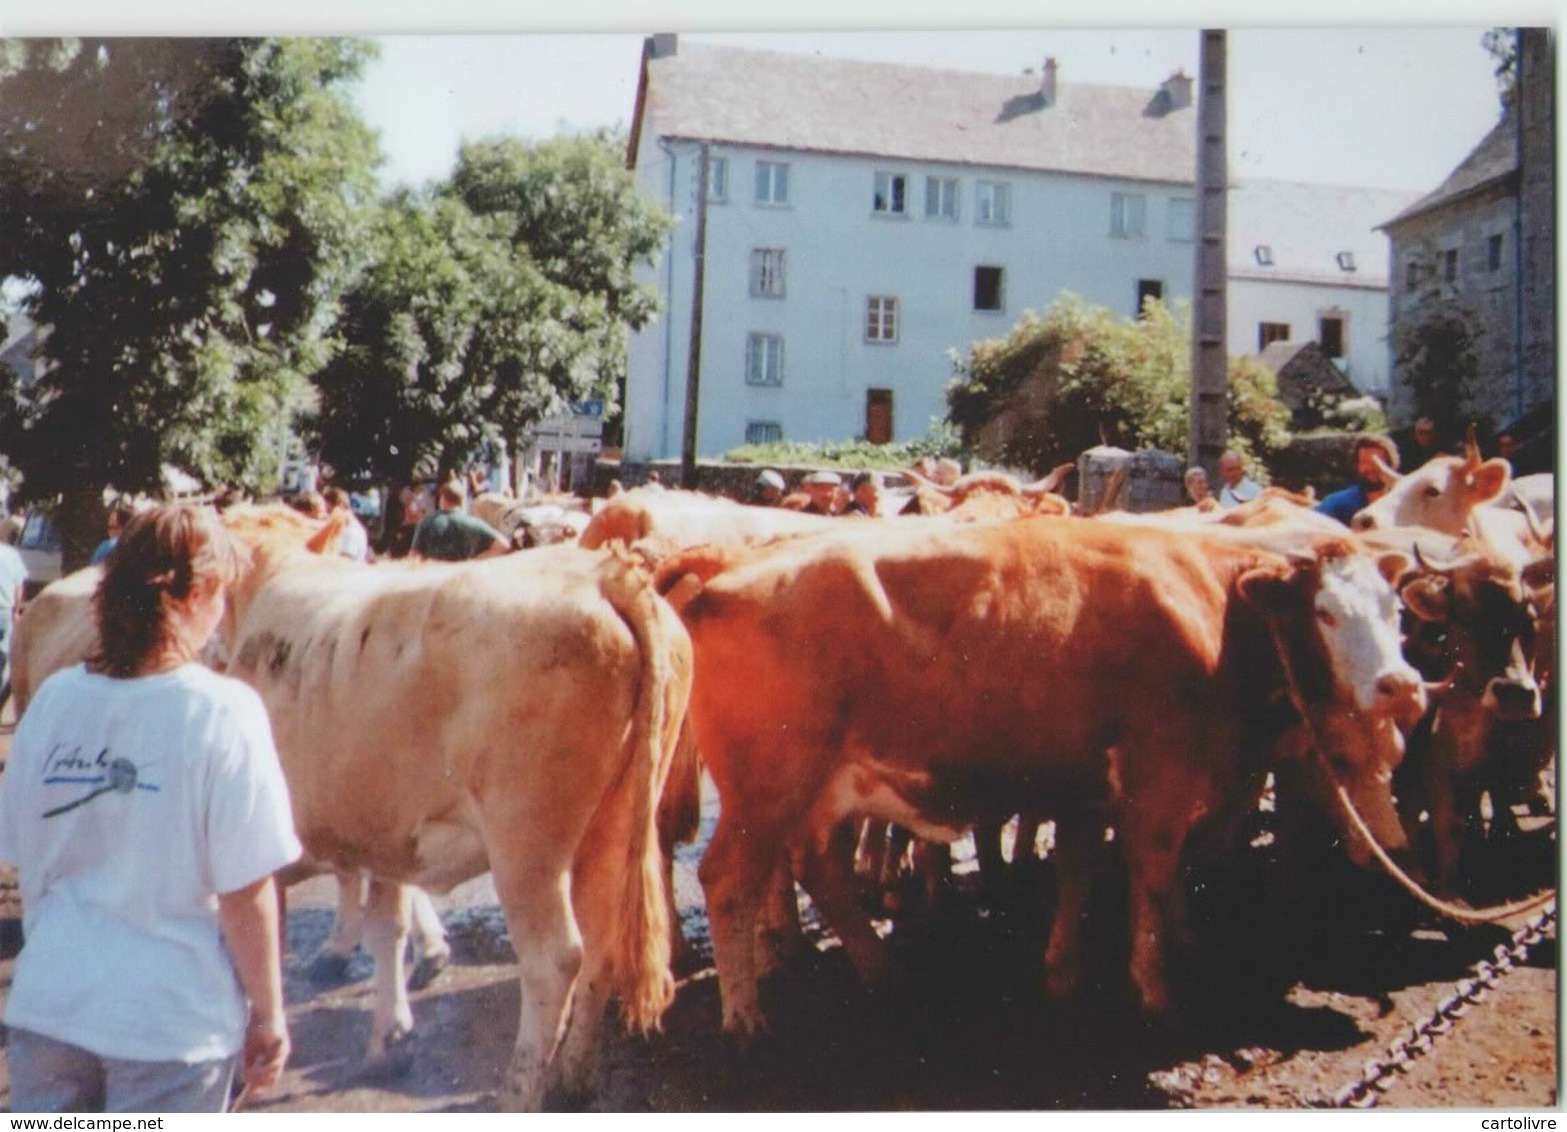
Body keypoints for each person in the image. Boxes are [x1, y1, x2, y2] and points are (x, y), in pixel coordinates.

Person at [0, 505, 301, 1112]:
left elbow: (23, 855)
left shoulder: (56, 700)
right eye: (221, 597)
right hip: (169, 1028)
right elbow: (247, 890)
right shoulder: (223, 713)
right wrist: (268, 1014)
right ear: (196, 594)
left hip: (50, 1013)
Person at [410, 480, 509, 561]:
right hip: (462, 580)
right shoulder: (474, 523)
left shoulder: (426, 523)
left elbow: (414, 558)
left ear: (442, 499)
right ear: (461, 500)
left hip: (435, 581)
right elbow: (503, 545)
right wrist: (475, 562)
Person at [1314, 434, 1401, 526]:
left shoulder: (1405, 501)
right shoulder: (1340, 502)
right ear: (1357, 465)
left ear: (1391, 463)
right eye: (1365, 462)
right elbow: (1313, 522)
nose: (1371, 467)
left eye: (1378, 462)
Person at [0, 518, 29, 709]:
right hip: (4, 612)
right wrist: (17, 610)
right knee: (3, 658)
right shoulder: (12, 555)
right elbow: (20, 587)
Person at [322, 486, 371, 563]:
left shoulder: (352, 531)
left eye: (329, 511)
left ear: (338, 507)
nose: (327, 516)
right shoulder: (343, 527)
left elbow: (346, 561)